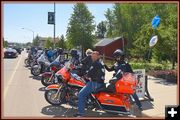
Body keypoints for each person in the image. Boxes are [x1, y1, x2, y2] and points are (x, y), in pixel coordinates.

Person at [74, 51, 105, 117]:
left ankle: (80, 113)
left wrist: (83, 76)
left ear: (98, 56)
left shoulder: (95, 64)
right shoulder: (99, 63)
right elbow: (92, 73)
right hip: (99, 82)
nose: (92, 57)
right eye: (92, 55)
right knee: (85, 86)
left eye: (94, 55)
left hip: (95, 83)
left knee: (81, 94)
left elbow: (89, 73)